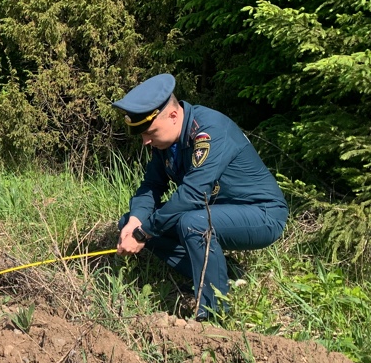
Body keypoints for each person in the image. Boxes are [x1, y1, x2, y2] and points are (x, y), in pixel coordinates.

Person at [113, 73, 288, 320]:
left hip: (262, 213)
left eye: (150, 131)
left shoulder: (209, 131)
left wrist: (144, 233)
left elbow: (193, 195)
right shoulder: (166, 143)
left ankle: (213, 315)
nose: (145, 141)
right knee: (129, 222)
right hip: (214, 212)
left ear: (173, 115)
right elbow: (152, 185)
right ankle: (223, 276)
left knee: (192, 224)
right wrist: (135, 223)